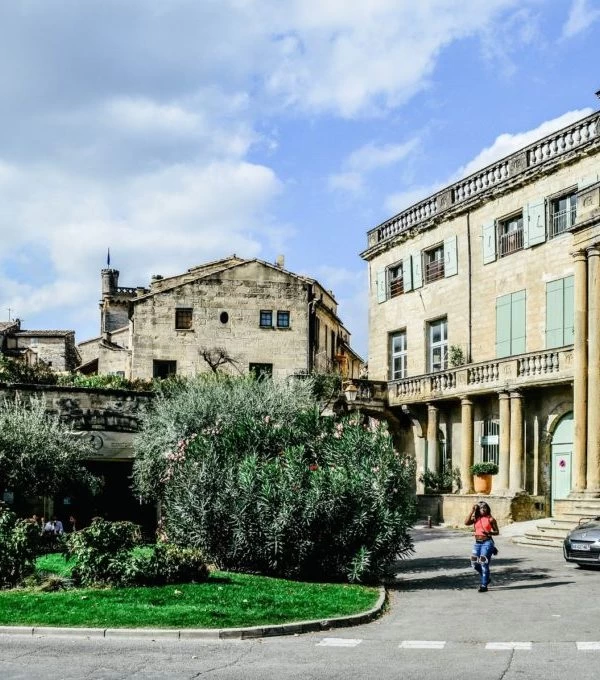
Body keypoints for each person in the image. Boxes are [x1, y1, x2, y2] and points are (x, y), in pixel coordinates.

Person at [465, 501, 499, 593]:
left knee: (483, 563)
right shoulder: (476, 518)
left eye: (485, 508)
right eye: (481, 508)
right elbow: (466, 523)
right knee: (474, 564)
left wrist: (490, 533)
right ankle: (486, 577)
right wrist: (472, 510)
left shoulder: (491, 519)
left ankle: (484, 585)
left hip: (487, 543)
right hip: (477, 543)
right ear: (478, 509)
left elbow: (497, 532)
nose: (483, 509)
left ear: (487, 509)